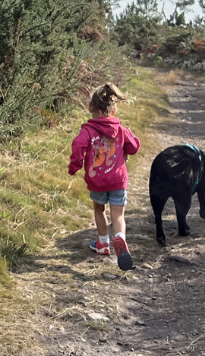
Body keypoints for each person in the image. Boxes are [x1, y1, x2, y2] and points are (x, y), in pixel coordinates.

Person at [68, 83, 141, 271]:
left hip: (97, 180)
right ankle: (120, 238)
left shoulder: (88, 131)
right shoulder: (121, 130)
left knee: (99, 210)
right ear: (114, 109)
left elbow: (78, 147)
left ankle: (102, 243)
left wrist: (74, 166)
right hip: (118, 179)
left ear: (90, 107)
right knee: (118, 214)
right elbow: (134, 147)